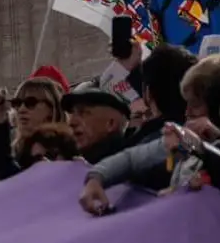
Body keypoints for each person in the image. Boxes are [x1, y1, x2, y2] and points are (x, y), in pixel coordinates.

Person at [81, 54, 220, 213]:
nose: (187, 112)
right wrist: (96, 178)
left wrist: (211, 145)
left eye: (195, 105)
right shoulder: (186, 139)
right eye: (186, 103)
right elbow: (132, 159)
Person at [0, 78, 63, 181]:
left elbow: (13, 175)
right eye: (17, 103)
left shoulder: (64, 152)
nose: (21, 109)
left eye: (30, 103)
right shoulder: (17, 150)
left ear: (51, 109)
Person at [61, 84, 131, 166]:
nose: (72, 122)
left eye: (83, 113)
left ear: (111, 123)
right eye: (72, 114)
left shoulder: (129, 168)